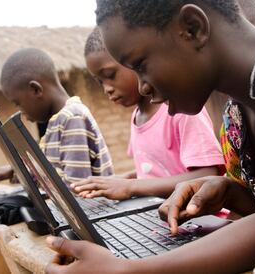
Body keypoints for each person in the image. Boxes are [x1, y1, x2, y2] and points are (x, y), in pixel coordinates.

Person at [44, 0, 255, 273]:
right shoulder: (236, 119)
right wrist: (233, 193)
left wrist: (127, 270)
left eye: (141, 66)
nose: (143, 87)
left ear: (192, 28)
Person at [72, 27, 224, 200]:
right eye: (100, 82)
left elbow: (208, 174)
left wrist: (131, 187)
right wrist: (121, 180)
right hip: (160, 216)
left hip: (202, 219)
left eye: (110, 75)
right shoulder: (137, 117)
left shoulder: (181, 109)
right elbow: (153, 171)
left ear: (134, 63)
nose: (107, 89)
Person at [0, 48, 114, 187]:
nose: (21, 111)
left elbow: (76, 187)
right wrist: (15, 171)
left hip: (94, 206)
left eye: (18, 104)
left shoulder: (72, 118)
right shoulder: (55, 124)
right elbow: (50, 175)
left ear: (36, 90)